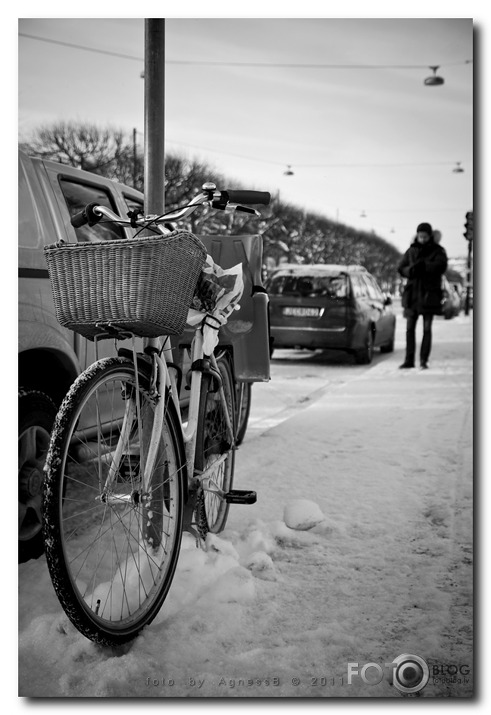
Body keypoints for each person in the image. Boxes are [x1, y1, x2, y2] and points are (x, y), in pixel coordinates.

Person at [397, 222, 448, 369]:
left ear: (430, 236)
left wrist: (425, 266)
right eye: (420, 236)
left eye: (425, 236)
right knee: (409, 329)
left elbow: (441, 266)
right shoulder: (411, 250)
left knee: (426, 329)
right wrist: (410, 271)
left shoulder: (438, 251)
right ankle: (409, 360)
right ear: (417, 235)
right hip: (412, 295)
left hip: (428, 296)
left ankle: (423, 360)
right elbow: (401, 268)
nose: (422, 239)